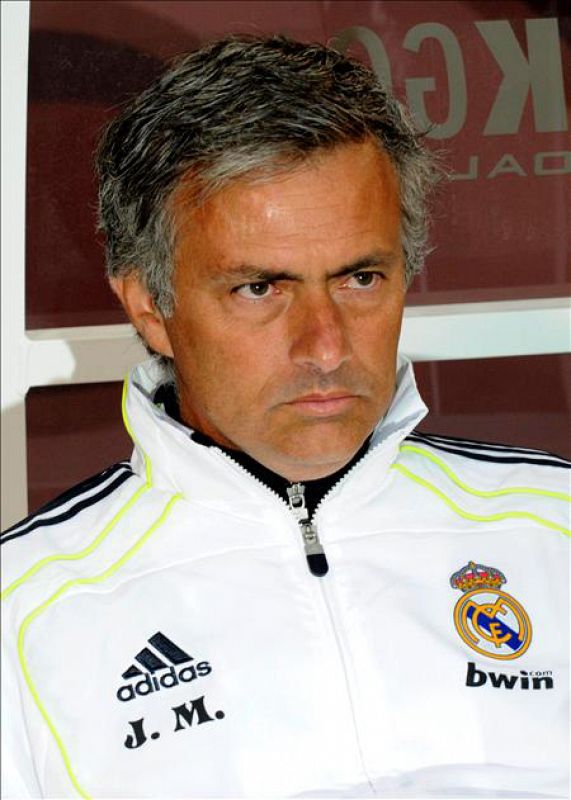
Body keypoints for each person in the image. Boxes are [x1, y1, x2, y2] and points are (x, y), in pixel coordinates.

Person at [1, 34, 569, 799]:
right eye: (260, 289)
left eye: (360, 278)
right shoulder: (25, 607)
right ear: (151, 308)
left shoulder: (553, 527)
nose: (325, 346)